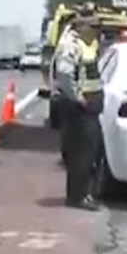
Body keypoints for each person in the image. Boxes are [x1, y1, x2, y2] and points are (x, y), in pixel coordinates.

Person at [54, 12, 104, 210]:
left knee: (92, 151)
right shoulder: (71, 45)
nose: (96, 30)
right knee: (81, 154)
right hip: (78, 107)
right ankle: (78, 197)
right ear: (80, 27)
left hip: (90, 105)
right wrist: (78, 98)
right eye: (92, 27)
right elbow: (64, 75)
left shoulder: (90, 44)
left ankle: (85, 193)